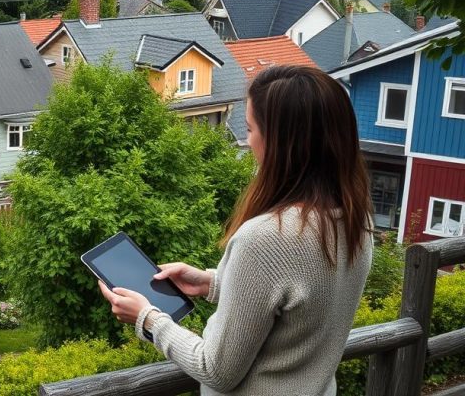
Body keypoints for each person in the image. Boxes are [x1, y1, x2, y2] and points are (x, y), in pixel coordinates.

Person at [99, 65, 374, 395]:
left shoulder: (266, 239)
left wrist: (148, 318)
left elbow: (215, 370)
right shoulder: (356, 218)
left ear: (282, 144)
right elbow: (302, 305)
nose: (246, 140)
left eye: (250, 128)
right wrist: (213, 283)